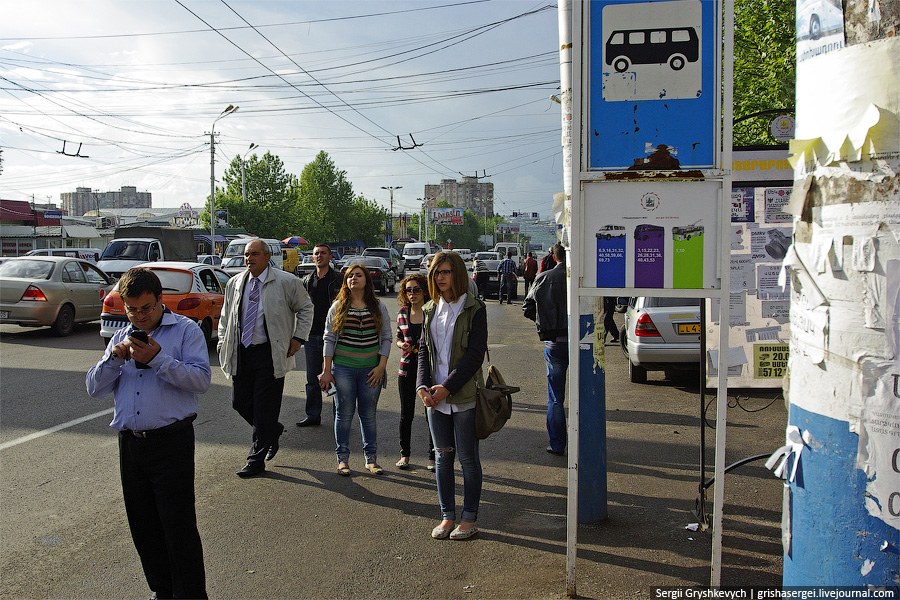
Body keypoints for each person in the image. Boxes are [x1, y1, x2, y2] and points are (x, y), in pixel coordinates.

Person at [86, 267, 210, 599]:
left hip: (171, 441)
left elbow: (200, 380)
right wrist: (114, 358)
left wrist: (158, 358)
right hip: (131, 444)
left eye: (146, 308)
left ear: (159, 301)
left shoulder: (185, 331)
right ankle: (162, 590)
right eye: (131, 310)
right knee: (143, 527)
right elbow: (94, 388)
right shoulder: (119, 336)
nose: (139, 316)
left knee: (177, 526)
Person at [218, 238, 313, 478]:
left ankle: (256, 459)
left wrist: (298, 338)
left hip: (269, 352)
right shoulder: (235, 283)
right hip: (242, 351)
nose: (249, 258)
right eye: (247, 255)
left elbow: (306, 308)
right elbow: (225, 317)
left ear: (267, 257)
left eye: (255, 254)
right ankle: (272, 429)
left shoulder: (286, 281)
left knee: (264, 408)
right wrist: (222, 341)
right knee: (239, 402)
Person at [417, 251, 488, 541]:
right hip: (434, 397)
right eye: (436, 273)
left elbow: (474, 356)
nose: (440, 277)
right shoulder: (430, 309)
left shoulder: (474, 307)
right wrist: (422, 385)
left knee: (468, 459)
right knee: (442, 457)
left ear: (457, 274)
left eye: (445, 272)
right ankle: (447, 516)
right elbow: (423, 350)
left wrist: (447, 387)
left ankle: (469, 517)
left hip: (463, 395)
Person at [320, 264, 393, 476]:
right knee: (343, 415)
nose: (353, 279)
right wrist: (327, 370)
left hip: (371, 371)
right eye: (350, 276)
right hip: (343, 369)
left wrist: (381, 367)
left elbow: (387, 337)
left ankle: (371, 459)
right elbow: (329, 337)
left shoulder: (378, 306)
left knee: (368, 415)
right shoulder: (338, 307)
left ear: (366, 281)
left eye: (358, 275)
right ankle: (342, 459)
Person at [523, 242, 568, 456]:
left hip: (554, 342)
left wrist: (544, 323)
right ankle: (585, 441)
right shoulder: (583, 279)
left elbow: (527, 308)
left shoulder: (544, 278)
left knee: (556, 398)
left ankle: (557, 444)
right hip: (582, 344)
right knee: (586, 393)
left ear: (553, 256)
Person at [297, 243, 342, 428]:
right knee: (312, 379)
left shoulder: (339, 279)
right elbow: (301, 307)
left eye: (323, 253)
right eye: (316, 254)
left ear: (330, 257)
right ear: (312, 257)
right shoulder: (307, 280)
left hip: (335, 336)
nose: (319, 256)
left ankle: (339, 416)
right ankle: (313, 415)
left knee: (334, 377)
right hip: (312, 335)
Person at [395, 274, 435, 471]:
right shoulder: (403, 312)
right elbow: (398, 338)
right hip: (407, 367)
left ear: (425, 291)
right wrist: (403, 344)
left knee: (431, 413)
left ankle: (432, 456)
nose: (412, 294)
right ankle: (405, 454)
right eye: (408, 290)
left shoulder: (432, 311)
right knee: (406, 414)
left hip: (430, 369)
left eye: (416, 289)